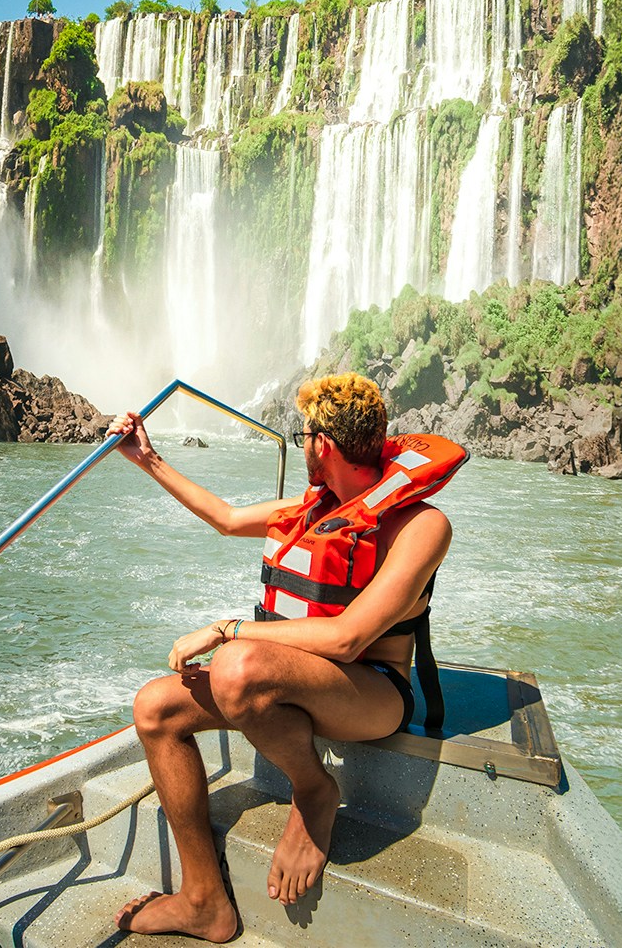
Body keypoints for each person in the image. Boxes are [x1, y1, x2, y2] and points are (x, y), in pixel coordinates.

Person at [106, 373, 465, 942]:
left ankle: (315, 788)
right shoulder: (314, 509)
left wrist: (227, 630)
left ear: (321, 444)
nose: (300, 446)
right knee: (154, 709)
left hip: (370, 693)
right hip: (290, 680)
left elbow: (348, 639)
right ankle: (204, 900)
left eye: (302, 436)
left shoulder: (422, 526)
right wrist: (146, 458)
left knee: (237, 666)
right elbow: (226, 519)